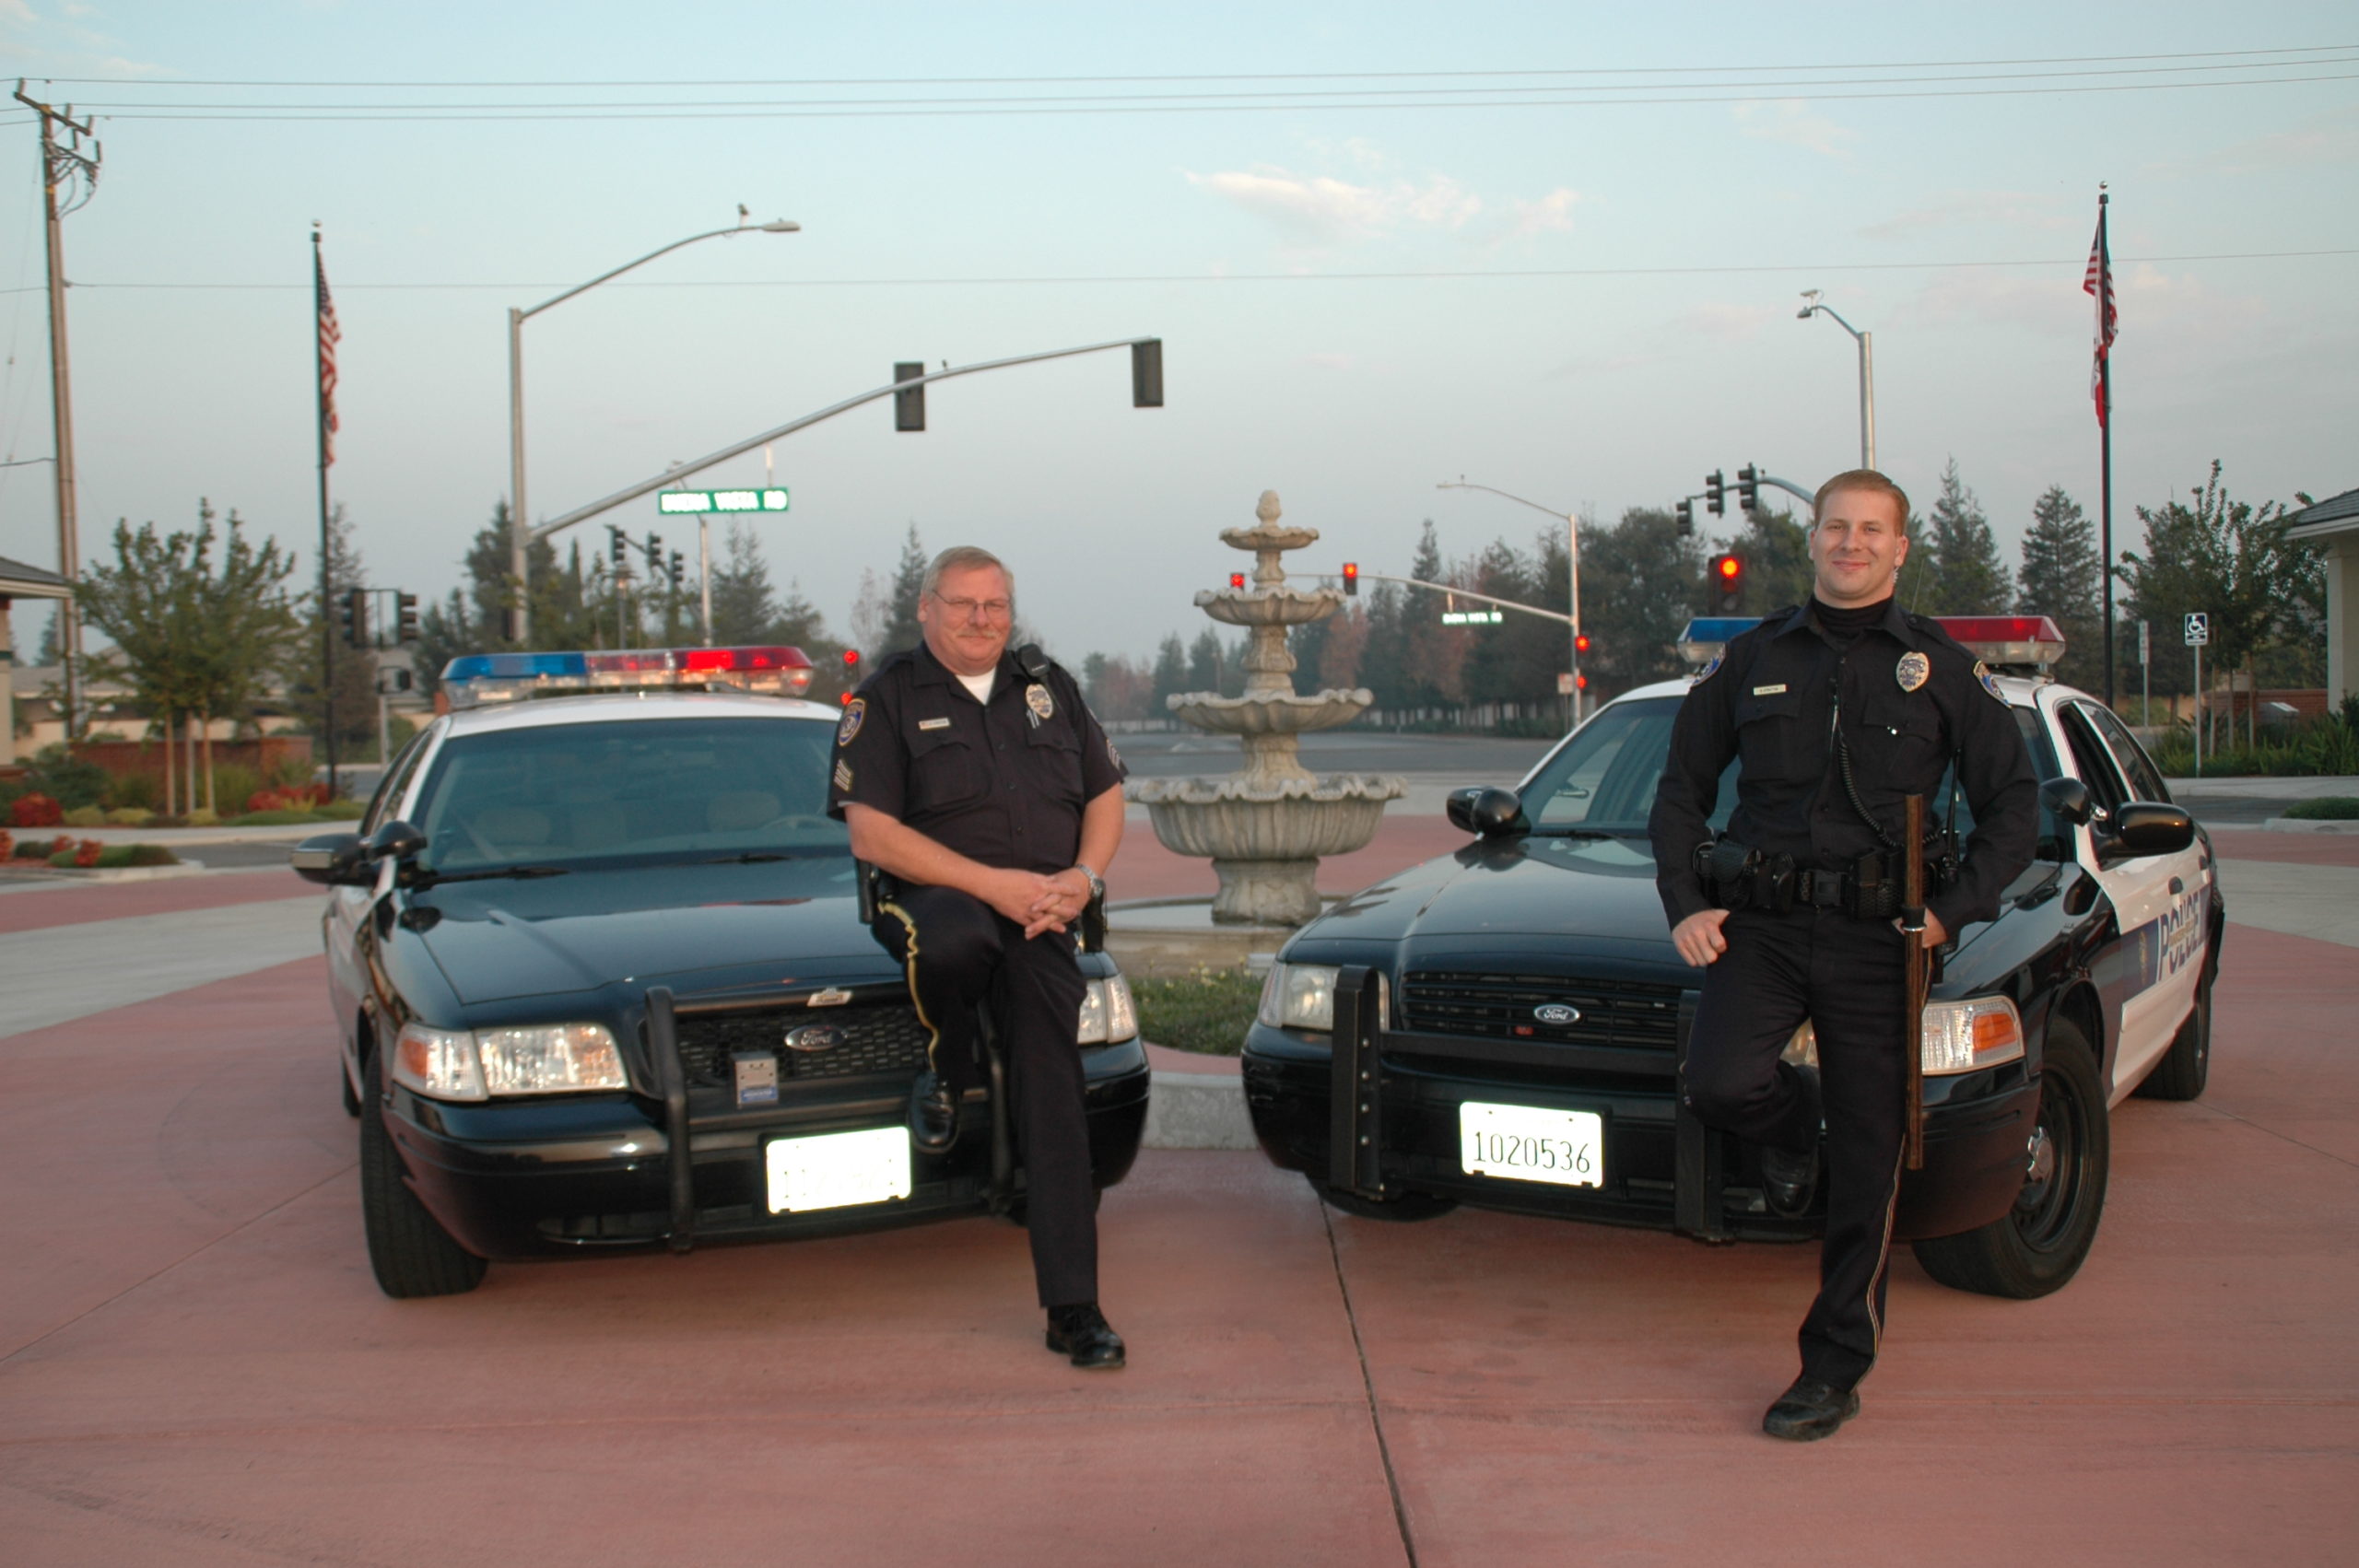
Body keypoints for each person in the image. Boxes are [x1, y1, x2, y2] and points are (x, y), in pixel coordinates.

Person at [1647, 470, 2036, 1441]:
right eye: (1835, 527)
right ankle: (1792, 1132)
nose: (1851, 543)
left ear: (1899, 549)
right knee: (1721, 1082)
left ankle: (1831, 1367)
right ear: (1811, 540)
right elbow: (1679, 792)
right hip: (1765, 926)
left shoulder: (1941, 670)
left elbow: (2015, 810)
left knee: (1871, 1158)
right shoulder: (1752, 659)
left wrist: (1951, 912)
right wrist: (1685, 902)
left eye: (1872, 530)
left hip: (1881, 936)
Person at [827, 545, 1131, 1370]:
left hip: (1038, 913)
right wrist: (991, 886)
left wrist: (1082, 877)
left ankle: (1075, 1308)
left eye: (995, 606)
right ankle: (947, 1065)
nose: (980, 620)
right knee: (956, 938)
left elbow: (1105, 794)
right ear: (927, 609)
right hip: (937, 900)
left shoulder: (1048, 688)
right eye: (962, 605)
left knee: (1055, 1088)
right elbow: (871, 833)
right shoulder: (887, 697)